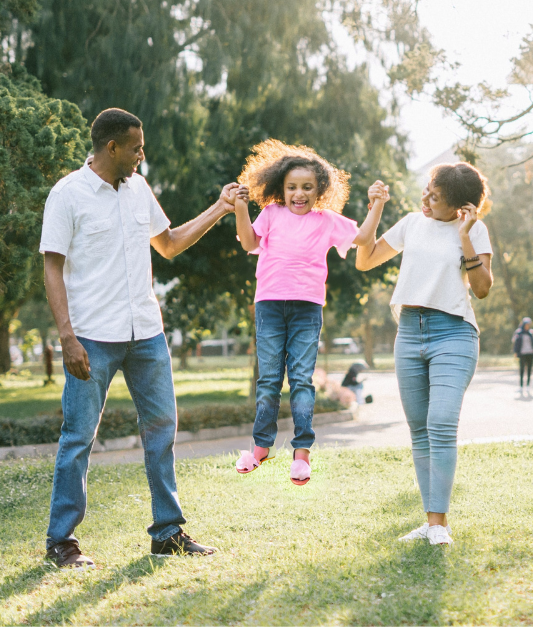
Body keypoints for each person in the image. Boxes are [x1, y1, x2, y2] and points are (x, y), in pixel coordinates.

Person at [39, 108, 238, 567]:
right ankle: (61, 541)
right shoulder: (67, 194)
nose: (141, 155)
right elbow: (52, 266)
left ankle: (167, 532)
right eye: (136, 148)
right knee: (78, 437)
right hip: (92, 336)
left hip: (146, 333)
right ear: (111, 147)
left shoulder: (139, 189)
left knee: (162, 430)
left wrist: (220, 207)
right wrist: (67, 337)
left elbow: (169, 244)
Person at [232, 139, 389, 485]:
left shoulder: (326, 220)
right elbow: (248, 242)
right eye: (292, 187)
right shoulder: (271, 214)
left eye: (307, 187)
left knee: (301, 379)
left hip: (307, 308)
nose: (299, 194)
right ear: (281, 188)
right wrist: (241, 208)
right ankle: (261, 448)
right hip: (270, 305)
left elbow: (364, 238)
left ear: (320, 191)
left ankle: (301, 453)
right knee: (269, 379)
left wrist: (377, 204)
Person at [355, 162, 493, 546]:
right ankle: (432, 523)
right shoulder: (413, 223)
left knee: (441, 422)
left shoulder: (475, 229)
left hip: (454, 333)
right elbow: (364, 260)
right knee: (420, 430)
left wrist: (464, 235)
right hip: (409, 332)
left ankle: (438, 526)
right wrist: (376, 207)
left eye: (437, 197)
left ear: (460, 207)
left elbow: (482, 288)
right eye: (428, 190)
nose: (427, 199)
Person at [512, 317, 533, 396]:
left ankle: (528, 386)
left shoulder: (531, 332)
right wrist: (516, 352)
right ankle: (520, 386)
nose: (527, 326)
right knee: (522, 370)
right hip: (522, 353)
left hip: (530, 353)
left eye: (528, 325)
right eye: (526, 325)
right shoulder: (519, 332)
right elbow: (515, 342)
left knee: (529, 370)